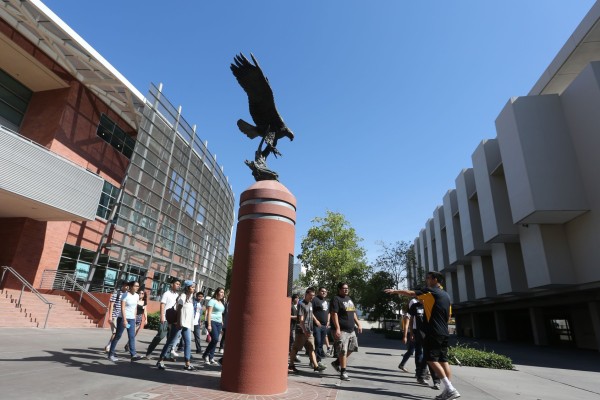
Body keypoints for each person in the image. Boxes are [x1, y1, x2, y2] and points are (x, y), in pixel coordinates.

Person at [385, 271, 460, 400]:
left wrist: (395, 291)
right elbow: (448, 316)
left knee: (430, 359)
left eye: (428, 278)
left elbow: (411, 293)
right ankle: (448, 390)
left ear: (435, 280)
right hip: (443, 332)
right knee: (443, 360)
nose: (426, 280)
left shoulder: (431, 291)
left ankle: (450, 389)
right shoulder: (446, 295)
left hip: (433, 332)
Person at [156, 280, 196, 370]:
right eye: (192, 287)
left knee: (188, 343)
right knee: (170, 342)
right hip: (179, 324)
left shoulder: (191, 297)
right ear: (187, 287)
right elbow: (179, 310)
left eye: (194, 287)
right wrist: (178, 323)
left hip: (186, 325)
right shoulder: (183, 296)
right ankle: (160, 361)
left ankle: (187, 364)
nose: (194, 288)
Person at [288, 288, 327, 373]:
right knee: (295, 348)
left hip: (309, 331)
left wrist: (316, 320)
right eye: (311, 295)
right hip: (302, 331)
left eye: (313, 295)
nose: (312, 297)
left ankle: (316, 366)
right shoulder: (301, 304)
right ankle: (291, 365)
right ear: (306, 294)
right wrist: (304, 330)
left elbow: (311, 313)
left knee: (311, 348)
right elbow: (301, 319)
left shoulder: (310, 304)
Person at [330, 282, 362, 381]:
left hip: (351, 330)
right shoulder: (336, 299)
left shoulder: (349, 299)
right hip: (342, 330)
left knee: (352, 348)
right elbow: (334, 314)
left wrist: (358, 324)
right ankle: (343, 372)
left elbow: (354, 313)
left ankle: (337, 363)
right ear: (339, 289)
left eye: (347, 288)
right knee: (343, 351)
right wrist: (338, 328)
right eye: (344, 288)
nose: (346, 290)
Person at [144, 279, 181, 358]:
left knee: (170, 338)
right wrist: (162, 316)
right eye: (177, 284)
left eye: (179, 284)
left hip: (173, 319)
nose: (178, 285)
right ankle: (149, 352)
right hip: (165, 318)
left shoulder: (177, 295)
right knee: (160, 335)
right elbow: (162, 305)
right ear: (172, 284)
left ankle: (167, 355)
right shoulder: (166, 293)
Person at [107, 280, 143, 362]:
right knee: (118, 336)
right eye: (136, 286)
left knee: (132, 336)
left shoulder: (137, 296)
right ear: (131, 287)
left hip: (131, 319)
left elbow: (135, 308)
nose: (137, 287)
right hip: (123, 318)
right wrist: (124, 320)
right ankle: (111, 354)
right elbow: (122, 308)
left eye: (138, 286)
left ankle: (133, 355)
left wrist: (134, 317)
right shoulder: (125, 295)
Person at [202, 287, 225, 365]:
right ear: (217, 293)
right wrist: (209, 324)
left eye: (223, 292)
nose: (222, 294)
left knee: (215, 341)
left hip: (218, 323)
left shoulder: (221, 302)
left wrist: (222, 323)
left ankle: (211, 357)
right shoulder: (212, 301)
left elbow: (221, 313)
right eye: (221, 292)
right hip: (212, 321)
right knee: (215, 339)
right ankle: (205, 355)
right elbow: (209, 313)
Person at [104, 281, 129, 352]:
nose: (127, 287)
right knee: (115, 333)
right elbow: (111, 306)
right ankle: (109, 347)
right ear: (123, 286)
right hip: (115, 316)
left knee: (118, 333)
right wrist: (110, 317)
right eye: (126, 286)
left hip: (122, 317)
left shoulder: (127, 295)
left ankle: (109, 346)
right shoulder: (116, 293)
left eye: (128, 286)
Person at [125, 288, 147, 352]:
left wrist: (146, 319)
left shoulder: (144, 302)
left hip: (139, 319)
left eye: (142, 293)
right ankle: (129, 346)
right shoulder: (135, 300)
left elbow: (145, 311)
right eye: (139, 293)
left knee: (135, 333)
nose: (140, 294)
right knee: (132, 332)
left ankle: (127, 345)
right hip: (133, 317)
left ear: (144, 295)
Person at [312, 287, 330, 365]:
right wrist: (316, 320)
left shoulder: (325, 301)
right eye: (322, 291)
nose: (324, 292)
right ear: (319, 292)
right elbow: (310, 311)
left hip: (324, 325)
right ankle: (313, 360)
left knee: (321, 343)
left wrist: (328, 321)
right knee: (317, 342)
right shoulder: (315, 300)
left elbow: (328, 312)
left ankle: (318, 360)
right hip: (317, 325)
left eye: (325, 291)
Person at [398, 304, 415, 373]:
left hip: (413, 333)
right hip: (409, 334)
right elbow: (406, 326)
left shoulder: (413, 313)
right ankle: (402, 364)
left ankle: (402, 364)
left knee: (411, 351)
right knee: (411, 351)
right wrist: (405, 337)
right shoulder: (408, 314)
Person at [192, 291, 205, 355]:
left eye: (201, 297)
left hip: (196, 323)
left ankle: (198, 349)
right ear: (196, 296)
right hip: (191, 322)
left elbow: (199, 314)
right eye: (199, 296)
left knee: (197, 337)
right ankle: (180, 347)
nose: (200, 298)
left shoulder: (201, 304)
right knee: (184, 336)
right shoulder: (193, 302)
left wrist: (200, 321)